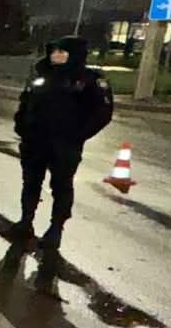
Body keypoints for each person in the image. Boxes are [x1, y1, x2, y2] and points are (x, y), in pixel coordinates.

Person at [11, 36, 113, 250]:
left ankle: (56, 228)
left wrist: (78, 135)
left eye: (62, 52)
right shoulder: (41, 74)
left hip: (64, 145)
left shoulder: (89, 80)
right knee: (30, 182)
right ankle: (25, 221)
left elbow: (102, 113)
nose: (57, 56)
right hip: (35, 141)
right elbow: (26, 101)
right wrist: (21, 125)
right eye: (55, 51)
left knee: (61, 185)